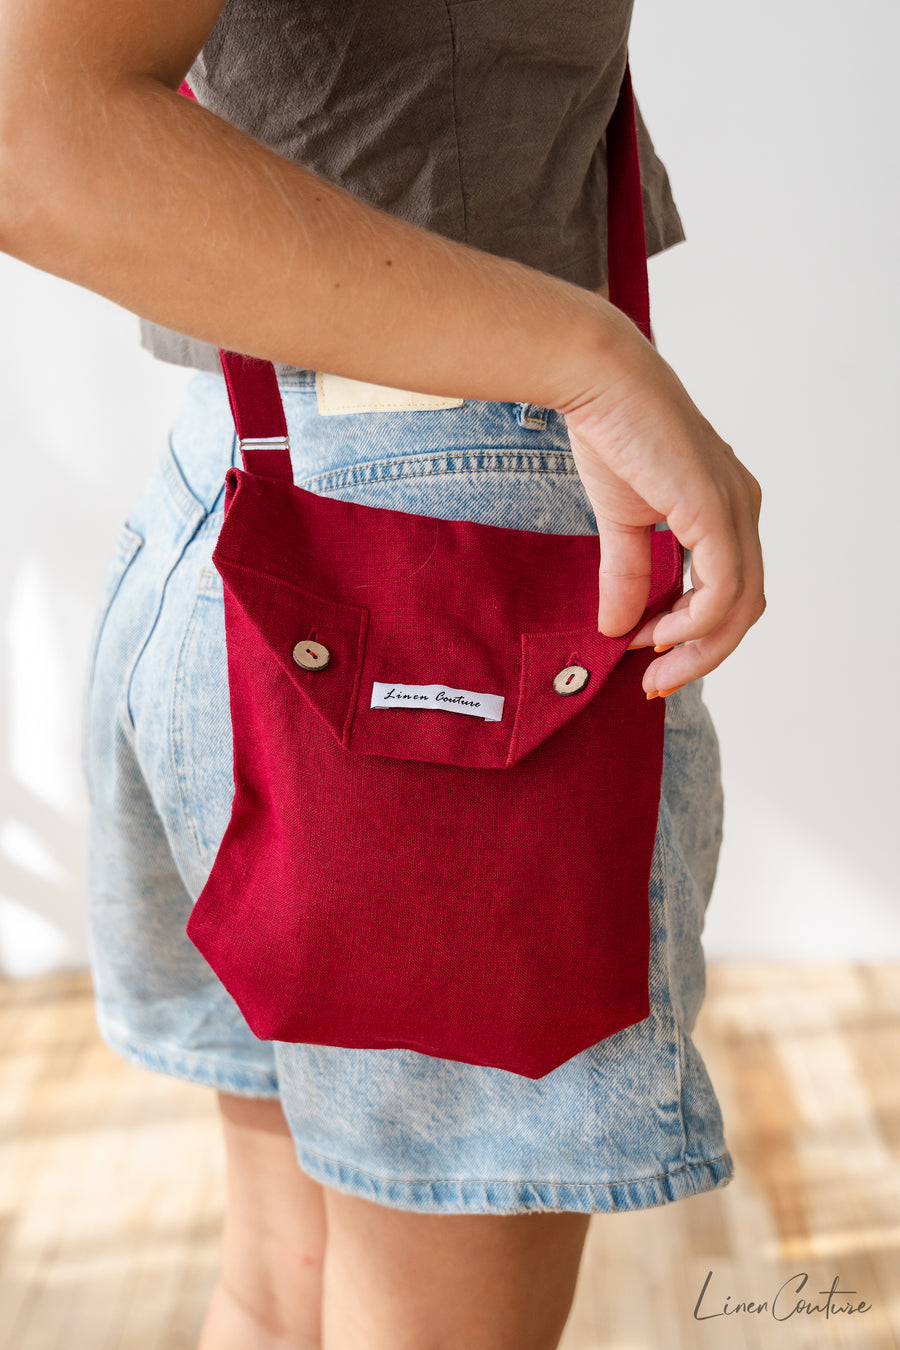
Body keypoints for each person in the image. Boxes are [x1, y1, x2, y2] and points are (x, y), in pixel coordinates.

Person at [0, 0, 765, 1346]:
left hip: (250, 499)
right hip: (455, 595)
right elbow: (28, 130)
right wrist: (588, 362)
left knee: (280, 1296)